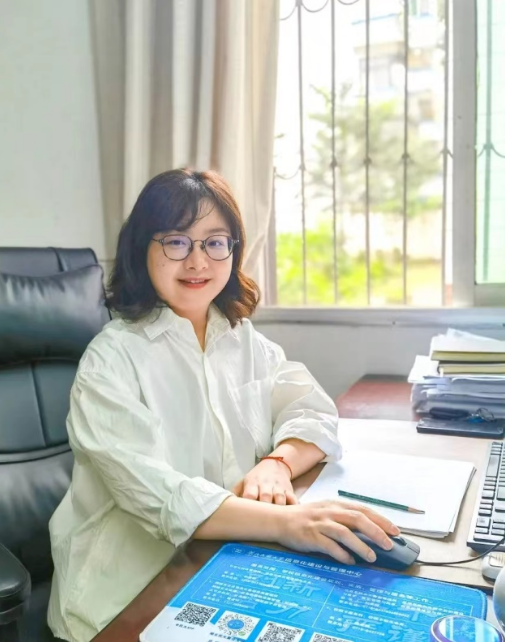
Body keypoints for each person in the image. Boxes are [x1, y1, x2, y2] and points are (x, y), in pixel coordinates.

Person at [47, 168, 399, 642]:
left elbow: (312, 410)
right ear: (141, 248)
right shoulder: (110, 360)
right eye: (176, 242)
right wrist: (288, 523)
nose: (198, 261)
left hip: (232, 560)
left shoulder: (242, 338)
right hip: (127, 592)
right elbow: (160, 497)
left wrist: (277, 463)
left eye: (215, 242)